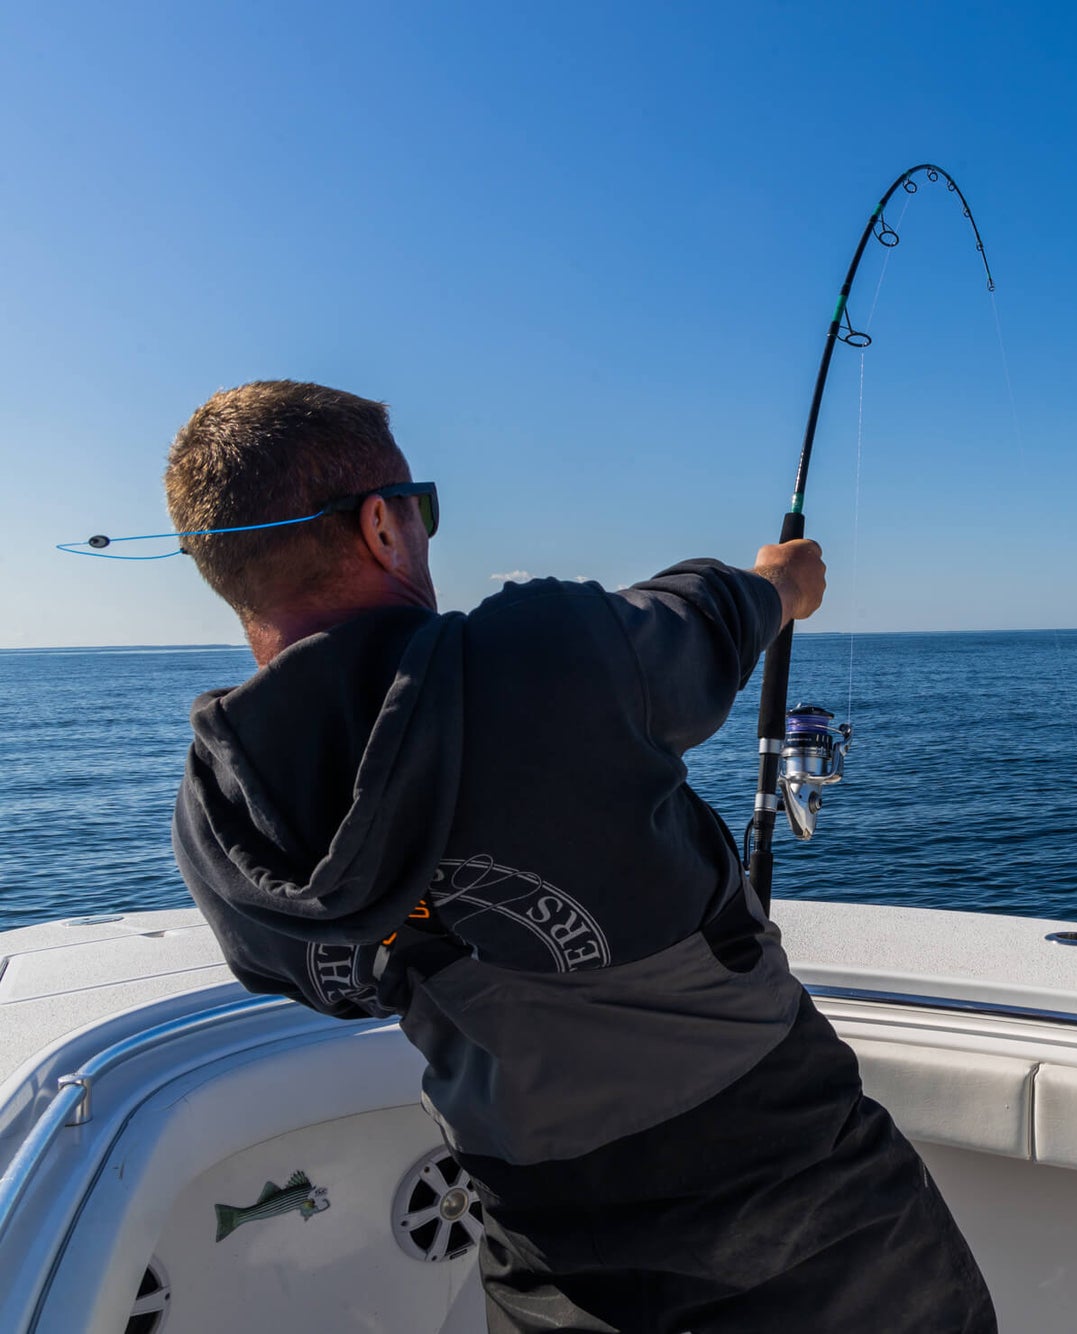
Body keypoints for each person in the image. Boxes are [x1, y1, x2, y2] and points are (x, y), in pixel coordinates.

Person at [165, 380, 997, 1333]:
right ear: (384, 526)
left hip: (540, 1235)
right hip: (790, 1187)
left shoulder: (217, 813)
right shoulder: (546, 656)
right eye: (421, 509)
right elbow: (720, 613)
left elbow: (338, 982)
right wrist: (786, 580)